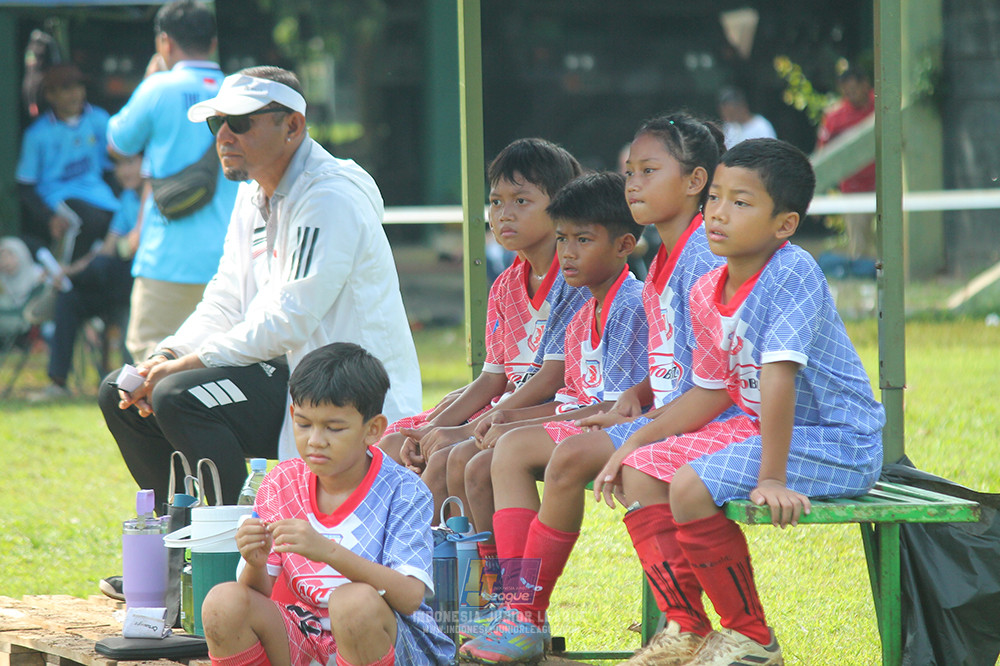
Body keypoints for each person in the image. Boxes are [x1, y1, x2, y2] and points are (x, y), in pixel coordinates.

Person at [594, 138, 885, 665]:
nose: (719, 214)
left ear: (785, 225)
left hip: (837, 441)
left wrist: (771, 477)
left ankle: (752, 637)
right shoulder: (709, 286)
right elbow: (709, 393)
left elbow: (778, 380)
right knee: (641, 472)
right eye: (716, 199)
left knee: (689, 484)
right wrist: (632, 443)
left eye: (742, 202)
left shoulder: (792, 270)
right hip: (762, 429)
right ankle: (686, 629)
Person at [458, 113, 730, 660]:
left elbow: (719, 371)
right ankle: (513, 610)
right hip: (664, 412)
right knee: (505, 451)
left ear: (696, 181)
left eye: (648, 171)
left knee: (580, 459)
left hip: (706, 423)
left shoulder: (699, 257)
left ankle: (528, 614)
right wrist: (644, 393)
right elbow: (680, 362)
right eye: (631, 171)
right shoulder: (660, 266)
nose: (634, 184)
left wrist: (636, 414)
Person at [98, 65, 422, 516]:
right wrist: (169, 355)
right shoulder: (251, 195)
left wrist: (189, 365)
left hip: (348, 391)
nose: (224, 136)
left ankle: (234, 552)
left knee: (178, 395)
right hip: (287, 378)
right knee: (123, 393)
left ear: (292, 126)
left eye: (241, 122)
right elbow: (226, 298)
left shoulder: (329, 196)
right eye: (217, 123)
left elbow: (289, 318)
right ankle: (173, 551)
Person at [456, 171, 649, 661]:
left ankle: (523, 612)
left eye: (583, 240)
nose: (567, 252)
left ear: (625, 245)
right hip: (587, 424)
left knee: (511, 448)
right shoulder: (585, 309)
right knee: (485, 456)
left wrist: (515, 425)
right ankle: (499, 606)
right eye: (563, 238)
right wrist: (510, 421)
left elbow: (618, 405)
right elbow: (570, 398)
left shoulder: (630, 304)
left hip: (628, 429)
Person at [200, 342, 454, 666]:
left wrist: (327, 551)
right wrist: (255, 561)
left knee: (354, 603)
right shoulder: (281, 483)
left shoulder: (403, 491)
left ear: (373, 429)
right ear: (292, 414)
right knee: (223, 602)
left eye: (334, 428)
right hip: (304, 636)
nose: (315, 440)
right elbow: (256, 592)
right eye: (304, 424)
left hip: (387, 643)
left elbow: (409, 596)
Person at [378, 138, 588, 517]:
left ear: (560, 206)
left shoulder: (573, 279)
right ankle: (427, 560)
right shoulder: (506, 285)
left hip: (550, 410)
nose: (504, 214)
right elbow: (492, 378)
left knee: (448, 457)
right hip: (507, 404)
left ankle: (433, 562)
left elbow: (551, 378)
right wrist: (429, 428)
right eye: (496, 201)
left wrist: (463, 428)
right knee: (392, 445)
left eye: (521, 201)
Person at [106, 0, 239, 362]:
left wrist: (150, 82)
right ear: (212, 42)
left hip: (167, 255)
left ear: (164, 43)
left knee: (150, 358)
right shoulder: (238, 91)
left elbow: (118, 143)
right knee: (222, 362)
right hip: (231, 257)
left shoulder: (158, 89)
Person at [29, 154, 143, 401]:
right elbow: (108, 248)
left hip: (140, 283)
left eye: (131, 163)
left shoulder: (156, 196)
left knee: (104, 268)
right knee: (70, 297)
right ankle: (58, 383)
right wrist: (69, 271)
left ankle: (55, 290)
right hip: (116, 283)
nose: (123, 171)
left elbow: (132, 245)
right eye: (119, 165)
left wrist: (84, 269)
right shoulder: (125, 198)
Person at [16, 64, 119, 264]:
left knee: (118, 222)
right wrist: (48, 218)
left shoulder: (98, 119)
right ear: (50, 95)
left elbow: (112, 167)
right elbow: (25, 186)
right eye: (66, 89)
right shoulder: (37, 134)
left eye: (78, 87)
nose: (75, 94)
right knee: (88, 222)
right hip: (58, 196)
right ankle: (63, 276)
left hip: (97, 192)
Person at [816, 67, 876, 261]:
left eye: (854, 89)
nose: (850, 95)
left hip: (885, 183)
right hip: (853, 188)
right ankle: (864, 278)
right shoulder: (835, 117)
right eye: (846, 91)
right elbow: (823, 155)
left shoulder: (882, 107)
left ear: (865, 84)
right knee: (859, 244)